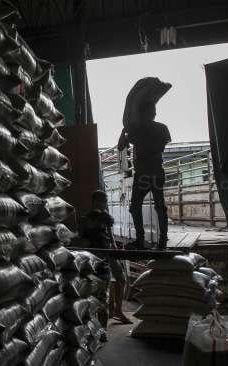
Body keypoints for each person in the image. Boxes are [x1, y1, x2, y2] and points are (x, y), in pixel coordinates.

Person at [117, 102, 171, 250]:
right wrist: (124, 130)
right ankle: (152, 240)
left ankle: (157, 240)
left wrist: (131, 134)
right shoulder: (145, 129)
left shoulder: (147, 129)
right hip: (149, 173)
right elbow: (121, 146)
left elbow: (159, 147)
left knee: (154, 207)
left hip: (148, 174)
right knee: (149, 207)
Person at [80, 190, 132, 324]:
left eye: (105, 201)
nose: (104, 204)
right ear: (94, 202)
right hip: (95, 255)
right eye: (101, 201)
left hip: (108, 252)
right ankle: (101, 312)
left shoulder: (106, 217)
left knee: (120, 278)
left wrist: (114, 246)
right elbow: (84, 238)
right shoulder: (88, 218)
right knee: (101, 285)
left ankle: (118, 311)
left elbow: (110, 233)